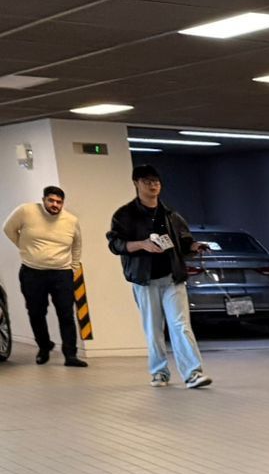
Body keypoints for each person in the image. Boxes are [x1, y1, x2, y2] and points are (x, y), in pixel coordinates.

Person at [107, 163, 209, 389]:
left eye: (156, 181)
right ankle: (159, 372)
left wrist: (195, 246)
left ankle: (193, 373)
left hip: (173, 278)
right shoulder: (124, 215)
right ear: (136, 184)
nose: (153, 185)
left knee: (181, 325)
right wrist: (141, 244)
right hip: (145, 280)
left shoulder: (171, 214)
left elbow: (184, 241)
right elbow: (115, 244)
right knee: (153, 329)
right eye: (147, 181)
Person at [4, 185, 87, 367]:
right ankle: (44, 346)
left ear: (63, 203)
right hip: (32, 272)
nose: (54, 205)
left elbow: (77, 244)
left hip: (62, 273)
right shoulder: (26, 211)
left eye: (59, 202)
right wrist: (26, 249)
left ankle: (70, 355)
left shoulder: (71, 220)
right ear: (43, 200)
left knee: (66, 314)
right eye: (51, 200)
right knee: (36, 312)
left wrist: (73, 267)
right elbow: (8, 229)